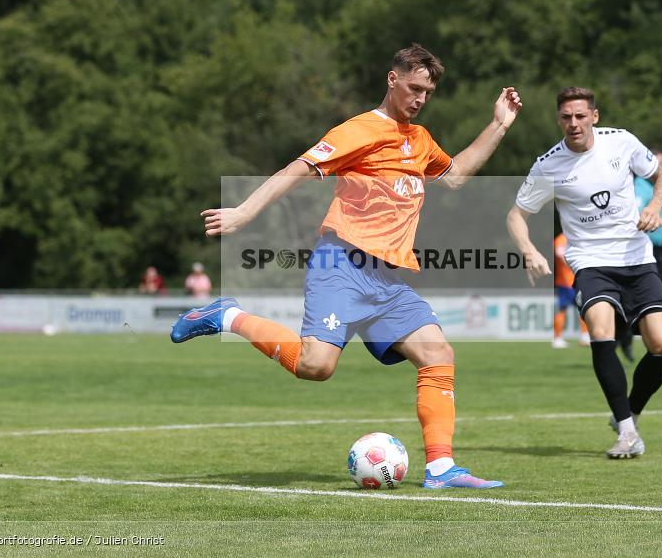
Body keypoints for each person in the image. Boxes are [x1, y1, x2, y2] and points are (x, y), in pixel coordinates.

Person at [170, 44, 522, 488]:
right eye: (414, 88)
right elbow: (298, 168)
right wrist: (243, 212)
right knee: (316, 366)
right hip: (342, 266)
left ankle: (440, 468)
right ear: (392, 79)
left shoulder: (419, 139)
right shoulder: (361, 130)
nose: (419, 98)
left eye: (428, 92)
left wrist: (498, 125)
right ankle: (227, 316)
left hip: (386, 278)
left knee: (438, 354)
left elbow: (454, 176)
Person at [507, 87, 662, 459]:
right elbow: (517, 215)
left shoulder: (622, 142)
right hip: (591, 262)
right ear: (558, 120)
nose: (573, 124)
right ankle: (628, 433)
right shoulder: (548, 164)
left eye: (580, 116)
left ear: (594, 117)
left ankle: (629, 412)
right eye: (566, 117)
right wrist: (529, 250)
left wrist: (655, 207)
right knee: (601, 331)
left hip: (637, 256)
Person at [618, 148, 662, 361]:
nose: (659, 169)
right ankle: (638, 332)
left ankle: (634, 331)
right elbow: (634, 216)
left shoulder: (658, 188)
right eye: (656, 164)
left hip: (658, 248)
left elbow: (653, 218)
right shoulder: (640, 187)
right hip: (642, 248)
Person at [551, 233, 590, 349]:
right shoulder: (561, 238)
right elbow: (560, 254)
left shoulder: (576, 236)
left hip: (578, 281)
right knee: (562, 310)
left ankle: (585, 336)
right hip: (566, 282)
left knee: (584, 310)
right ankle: (557, 338)